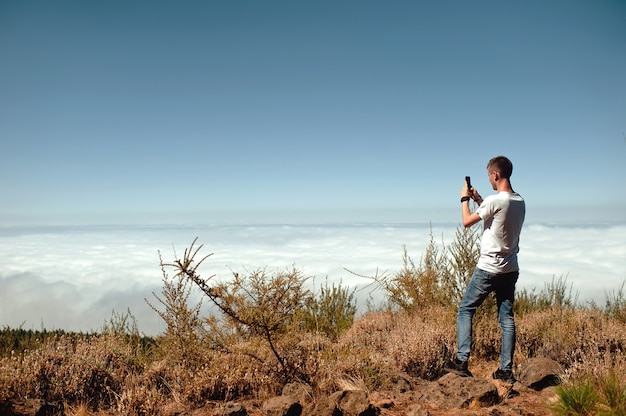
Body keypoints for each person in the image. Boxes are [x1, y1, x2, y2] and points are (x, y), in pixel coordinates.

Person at [444, 156, 525, 383]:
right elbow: (497, 217)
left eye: (490, 175)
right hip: (510, 268)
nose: (489, 178)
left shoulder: (495, 200)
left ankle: (462, 360)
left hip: (488, 268)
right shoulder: (519, 201)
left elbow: (467, 222)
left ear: (495, 175)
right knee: (506, 318)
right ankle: (505, 370)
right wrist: (478, 198)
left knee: (465, 310)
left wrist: (464, 199)